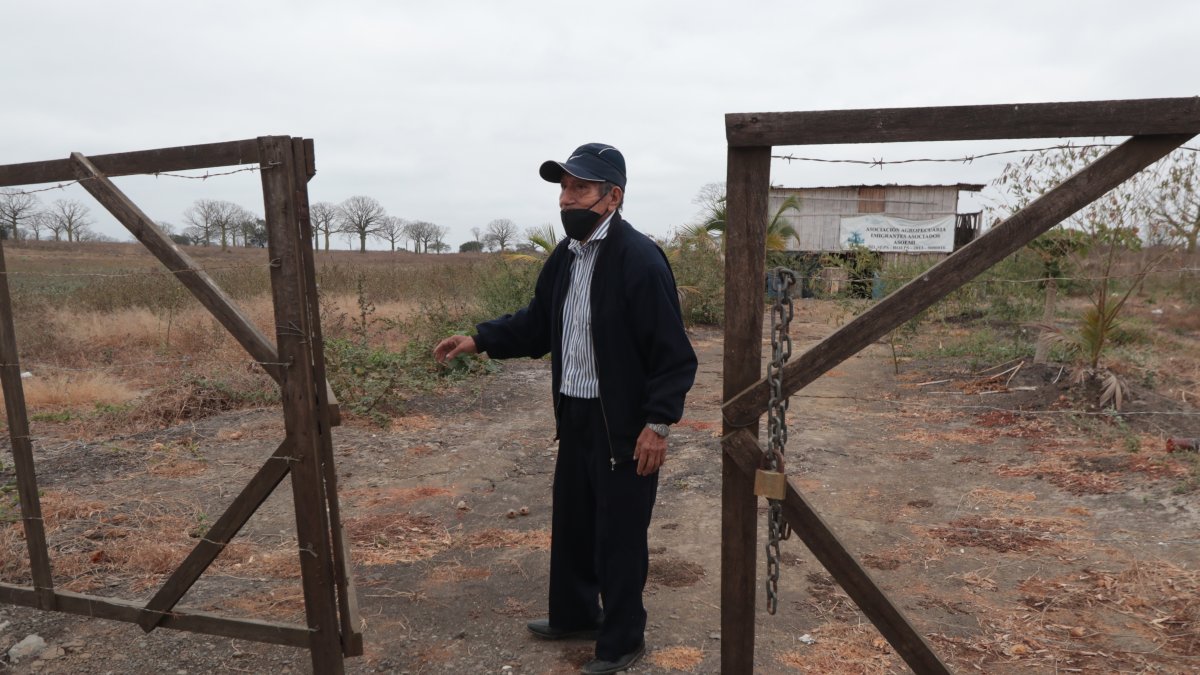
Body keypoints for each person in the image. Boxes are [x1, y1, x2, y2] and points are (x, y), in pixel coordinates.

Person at [433, 142, 697, 674]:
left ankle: (622, 639)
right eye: (562, 188)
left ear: (612, 197)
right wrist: (479, 340)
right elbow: (536, 323)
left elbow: (674, 355)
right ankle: (577, 615)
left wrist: (657, 423)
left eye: (579, 188)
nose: (565, 199)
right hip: (576, 413)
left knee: (620, 535)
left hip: (622, 423)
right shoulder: (566, 256)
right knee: (575, 521)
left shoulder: (639, 259)